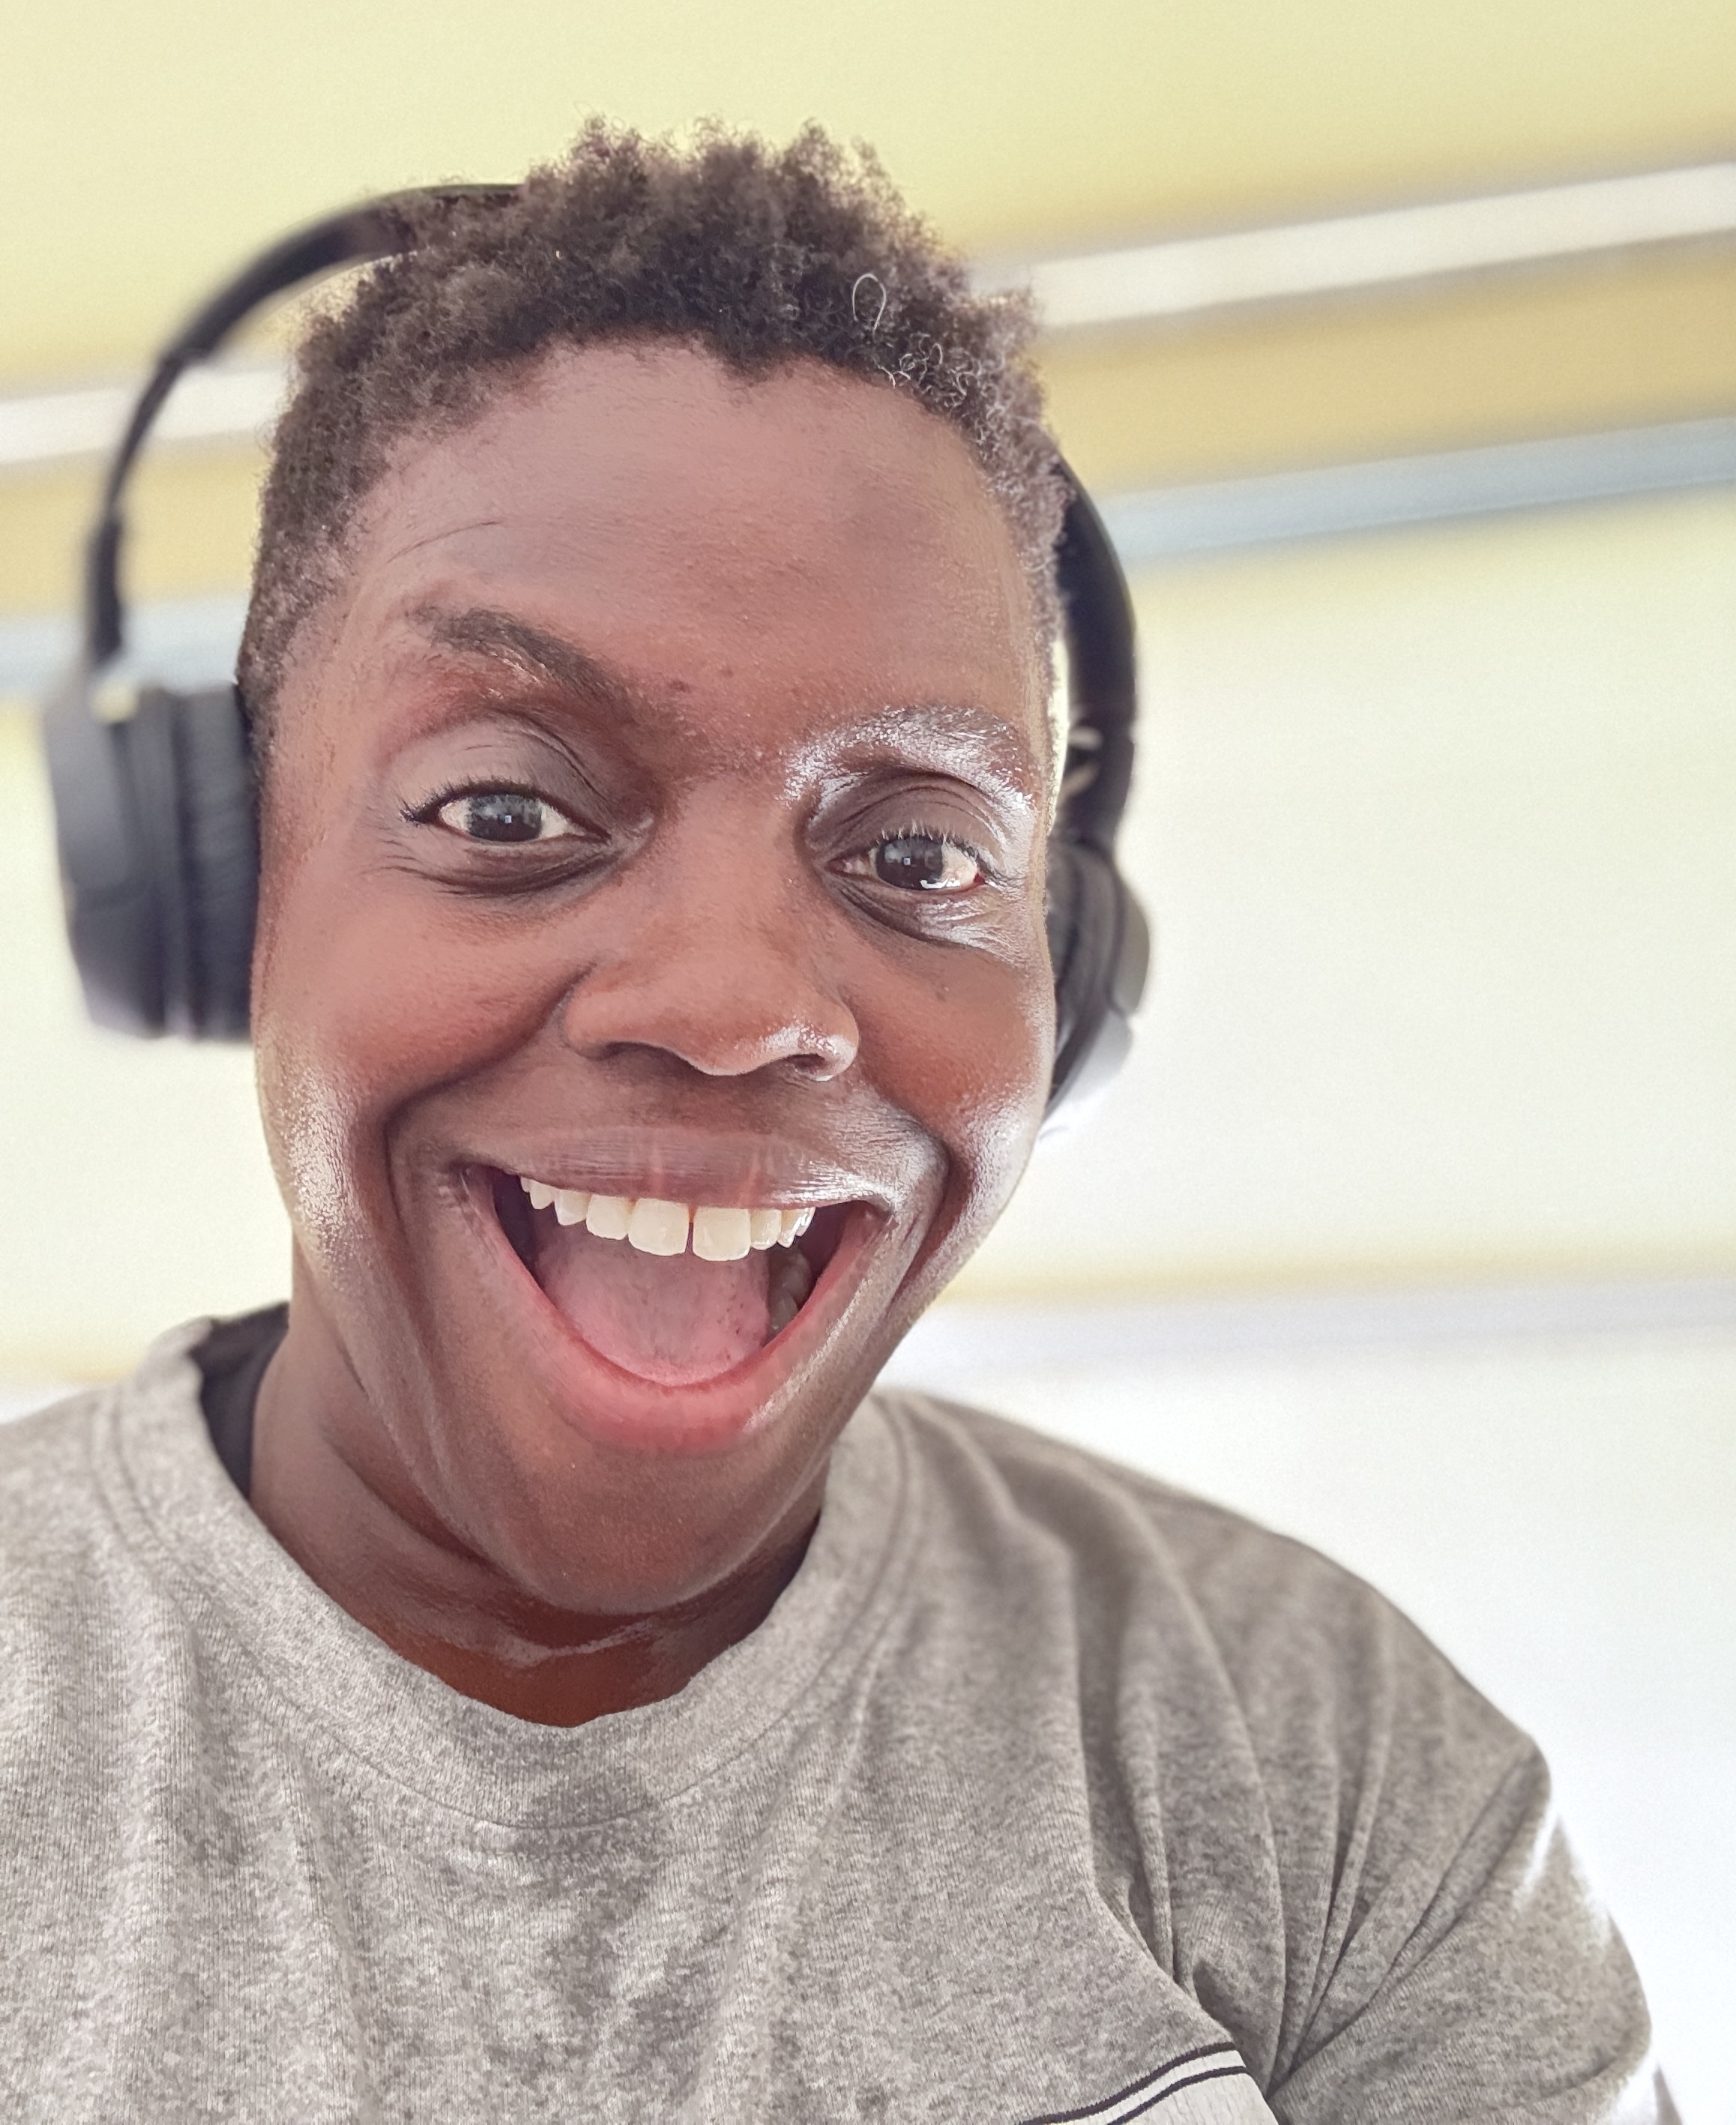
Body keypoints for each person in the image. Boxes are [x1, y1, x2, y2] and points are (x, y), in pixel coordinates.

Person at [0, 124, 1672, 2124]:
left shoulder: (1311, 1756)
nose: (734, 1006)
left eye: (912, 850)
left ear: (1065, 972)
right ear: (222, 892)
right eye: (508, 810)